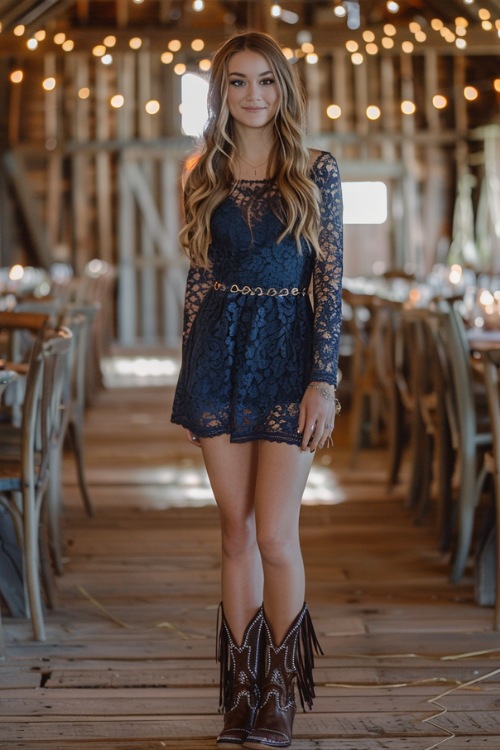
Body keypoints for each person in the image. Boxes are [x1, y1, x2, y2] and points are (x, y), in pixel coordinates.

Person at [171, 30, 343, 749]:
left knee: (274, 533)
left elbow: (329, 285)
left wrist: (323, 381)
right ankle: (239, 695)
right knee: (234, 531)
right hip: (218, 354)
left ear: (284, 89)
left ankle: (280, 692)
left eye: (266, 81)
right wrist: (190, 373)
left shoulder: (315, 168)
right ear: (221, 94)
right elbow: (199, 280)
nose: (253, 96)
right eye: (238, 83)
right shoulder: (201, 171)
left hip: (287, 354)